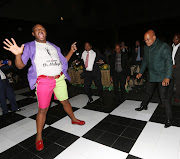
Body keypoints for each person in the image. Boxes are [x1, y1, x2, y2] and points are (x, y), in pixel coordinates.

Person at [3, 24, 85, 151]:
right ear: (33, 33)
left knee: (65, 101)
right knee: (43, 110)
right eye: (37, 29)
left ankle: (73, 119)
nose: (40, 31)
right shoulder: (30, 46)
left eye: (42, 29)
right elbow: (19, 66)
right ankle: (39, 136)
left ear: (45, 32)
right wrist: (18, 54)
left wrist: (71, 51)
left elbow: (63, 61)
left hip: (59, 79)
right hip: (43, 81)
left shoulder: (54, 46)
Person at [135, 30, 173, 128]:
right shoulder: (146, 48)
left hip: (162, 76)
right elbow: (145, 62)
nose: (146, 42)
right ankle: (144, 105)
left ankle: (169, 118)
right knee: (147, 91)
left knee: (164, 98)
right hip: (152, 75)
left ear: (154, 38)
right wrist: (140, 72)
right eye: (145, 40)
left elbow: (168, 62)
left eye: (148, 40)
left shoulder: (163, 46)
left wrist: (167, 77)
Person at [171, 33, 180, 103]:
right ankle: (169, 96)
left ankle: (177, 97)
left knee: (177, 84)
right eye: (174, 38)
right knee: (170, 82)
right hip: (170, 68)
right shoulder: (171, 46)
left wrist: (176, 66)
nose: (175, 40)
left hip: (178, 69)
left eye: (177, 39)